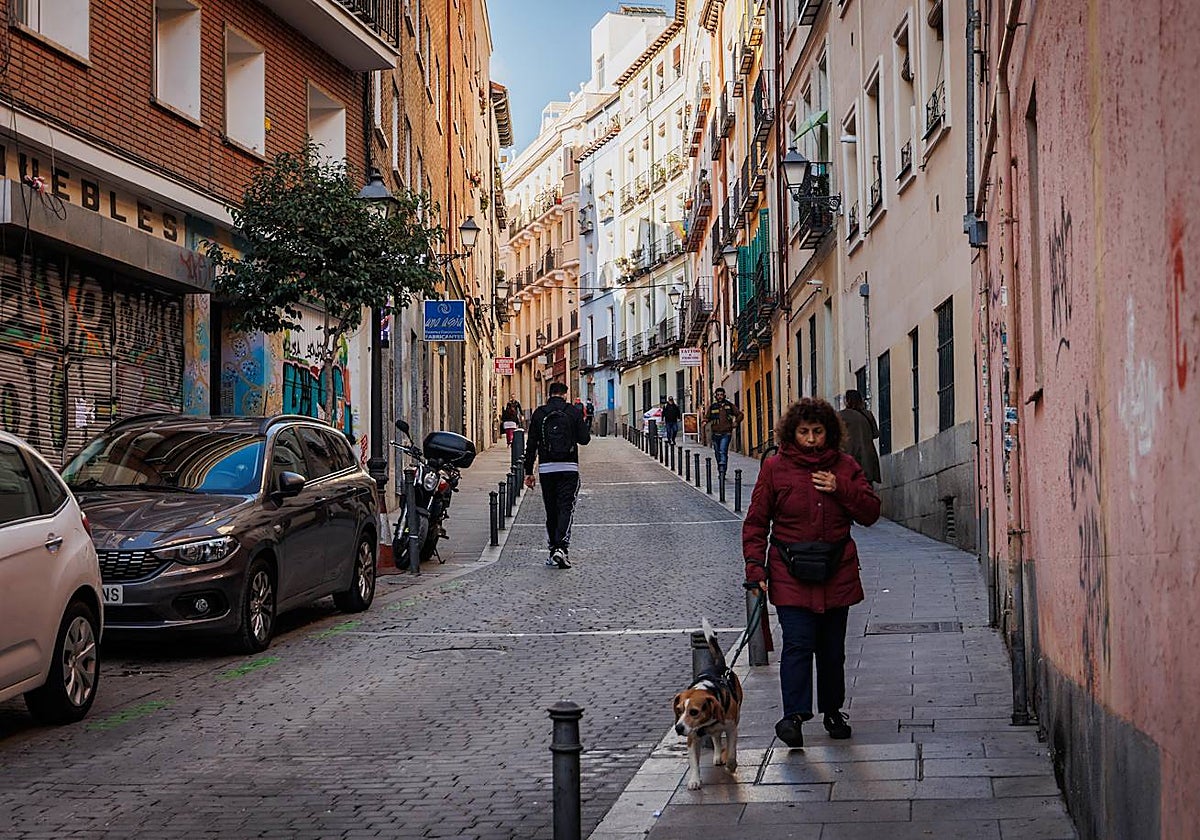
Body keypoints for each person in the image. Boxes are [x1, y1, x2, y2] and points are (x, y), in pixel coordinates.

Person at [742, 398, 880, 748]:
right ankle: (794, 716)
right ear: (793, 433)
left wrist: (840, 488)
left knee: (832, 650)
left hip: (837, 571)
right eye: (804, 432)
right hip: (790, 572)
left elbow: (870, 512)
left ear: (829, 432)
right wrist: (755, 567)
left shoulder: (845, 466)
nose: (811, 439)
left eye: (817, 432)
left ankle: (833, 710)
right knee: (798, 644)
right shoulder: (774, 469)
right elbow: (757, 522)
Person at [523, 381, 591, 569]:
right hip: (569, 467)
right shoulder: (572, 412)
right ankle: (561, 548)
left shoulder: (540, 413)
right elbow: (584, 440)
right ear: (565, 395)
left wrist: (529, 472)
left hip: (546, 469)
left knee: (551, 509)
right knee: (566, 508)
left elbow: (531, 445)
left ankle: (553, 550)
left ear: (549, 394)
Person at [839, 389, 881, 484]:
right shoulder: (868, 414)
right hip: (867, 458)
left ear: (847, 401)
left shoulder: (841, 416)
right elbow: (875, 434)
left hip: (849, 456)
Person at [704, 387, 743, 479]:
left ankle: (722, 472)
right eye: (718, 395)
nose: (720, 396)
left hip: (726, 433)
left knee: (722, 451)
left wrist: (736, 422)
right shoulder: (713, 407)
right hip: (715, 434)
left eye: (721, 395)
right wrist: (704, 421)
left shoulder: (729, 406)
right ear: (715, 396)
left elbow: (740, 414)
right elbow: (707, 417)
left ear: (724, 395)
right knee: (717, 454)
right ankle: (721, 470)